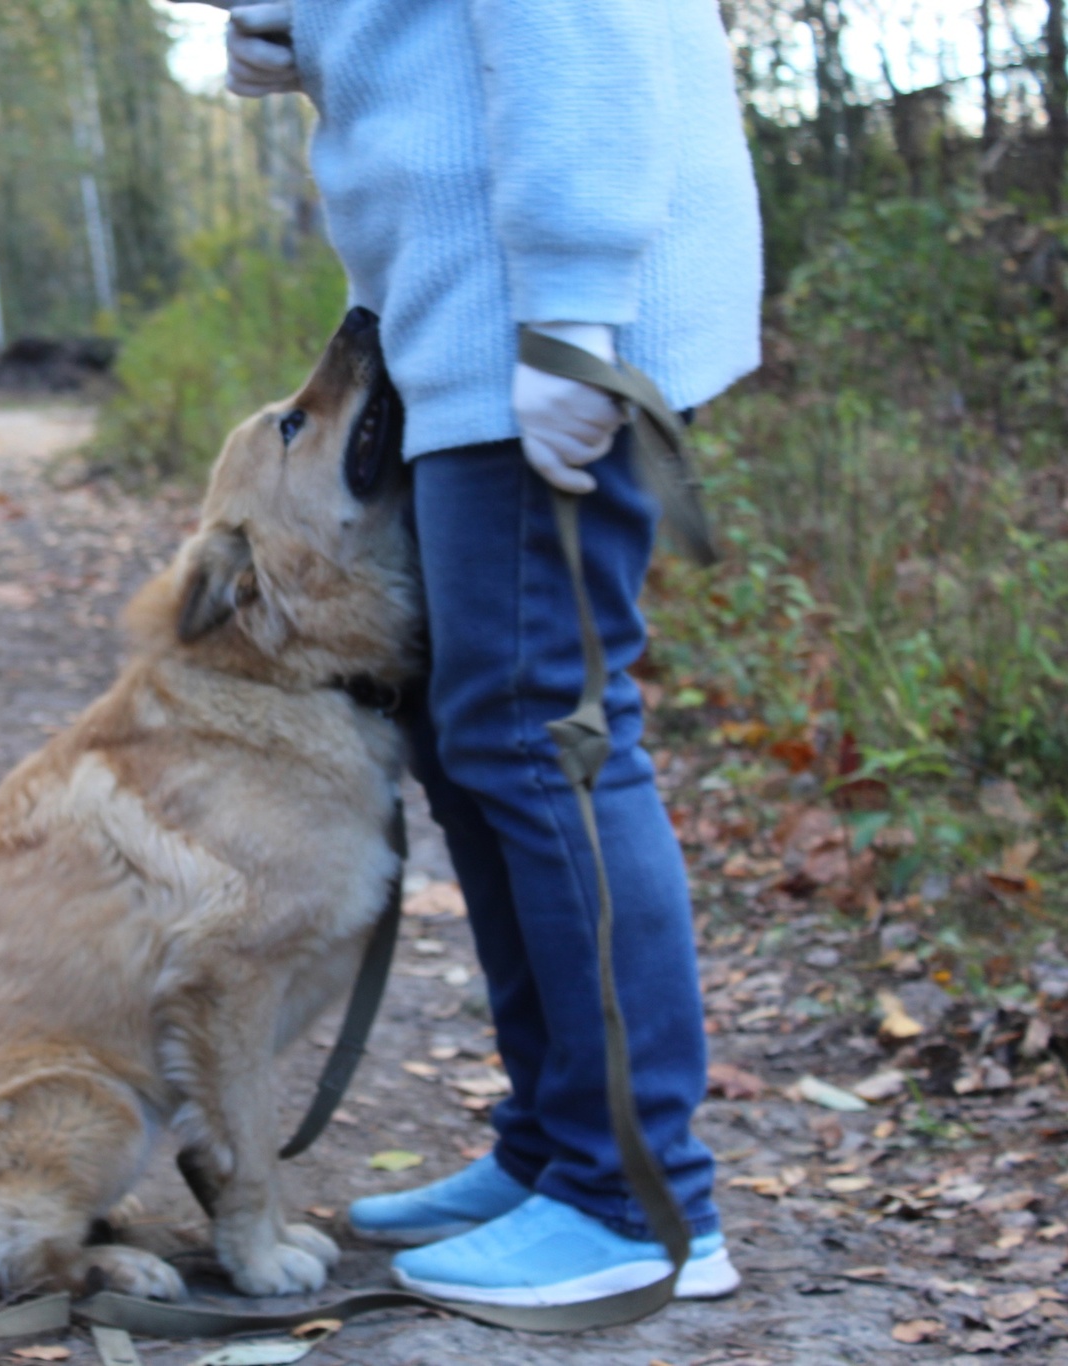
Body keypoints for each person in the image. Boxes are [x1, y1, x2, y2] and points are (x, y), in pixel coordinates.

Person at [212, 0, 762, 1307]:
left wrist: (573, 304)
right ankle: (556, 1147)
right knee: (472, 742)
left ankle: (637, 1197)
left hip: (540, 312)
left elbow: (581, 27)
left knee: (543, 729)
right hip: (455, 318)